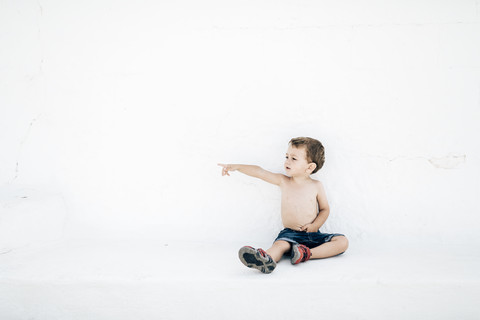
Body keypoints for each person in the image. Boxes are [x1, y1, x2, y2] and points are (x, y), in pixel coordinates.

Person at [218, 137, 348, 274]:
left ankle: (307, 253)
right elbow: (259, 172)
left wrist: (315, 225)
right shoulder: (284, 181)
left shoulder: (316, 186)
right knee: (279, 245)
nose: (287, 161)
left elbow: (324, 209)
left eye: (294, 158)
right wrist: (236, 167)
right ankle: (265, 259)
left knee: (342, 241)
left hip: (313, 234)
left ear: (310, 167)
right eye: (287, 156)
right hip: (290, 234)